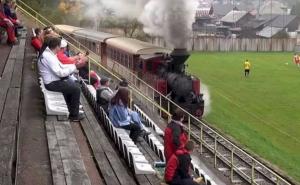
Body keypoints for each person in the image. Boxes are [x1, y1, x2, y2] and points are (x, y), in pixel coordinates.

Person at [38, 36, 84, 121]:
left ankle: (72, 109)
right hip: (51, 84)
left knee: (72, 86)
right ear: (57, 46)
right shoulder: (49, 57)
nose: (62, 49)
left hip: (52, 81)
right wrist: (75, 66)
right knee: (76, 89)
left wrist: (73, 66)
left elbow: (61, 66)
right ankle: (74, 116)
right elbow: (60, 73)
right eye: (60, 46)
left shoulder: (50, 54)